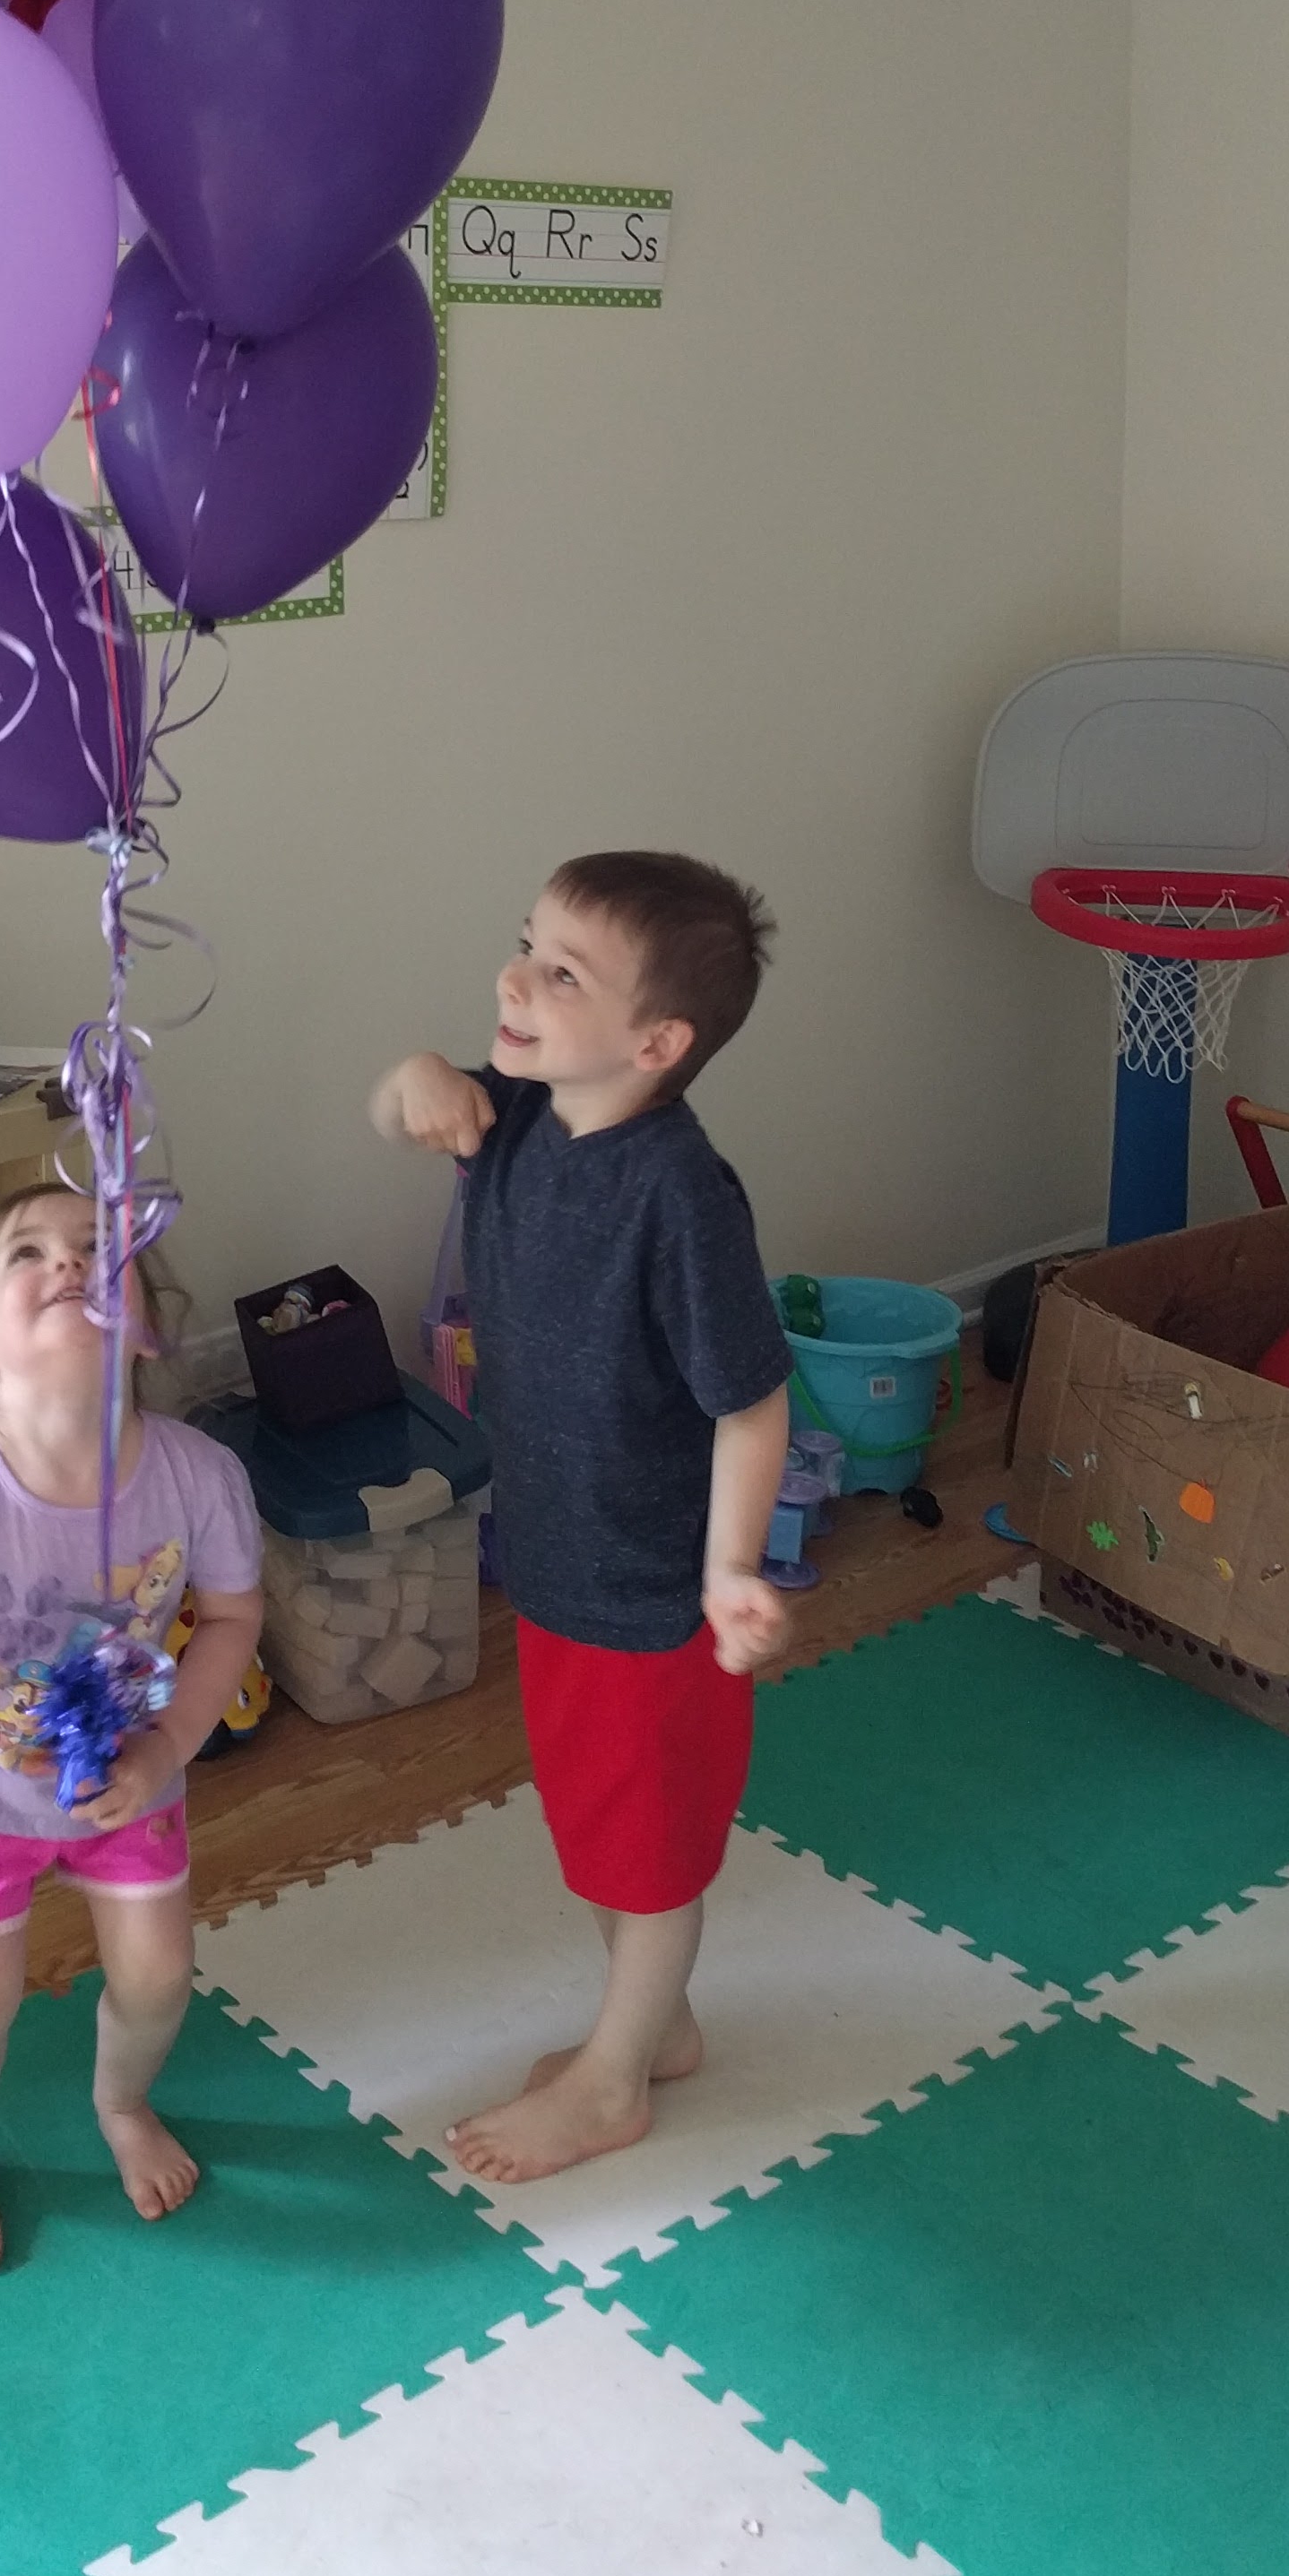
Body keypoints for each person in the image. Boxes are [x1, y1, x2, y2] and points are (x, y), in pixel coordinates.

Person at [369, 849, 792, 2184]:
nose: (516, 981)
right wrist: (415, 1076)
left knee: (649, 1855)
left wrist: (730, 1571)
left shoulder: (680, 1196)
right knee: (601, 1829)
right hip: (554, 1560)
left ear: (657, 1043)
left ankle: (615, 2081)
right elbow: (406, 1102)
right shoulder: (514, 1117)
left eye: (564, 974)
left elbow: (752, 1404)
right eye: (526, 946)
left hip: (652, 1589)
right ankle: (658, 2030)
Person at [0, 1183, 264, 2272]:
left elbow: (232, 1619)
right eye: (29, 1253)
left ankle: (121, 2102)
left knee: (159, 1977)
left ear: (147, 1324)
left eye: (96, 1247)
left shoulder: (202, 1478)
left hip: (127, 1771)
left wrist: (167, 1749)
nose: (71, 1263)